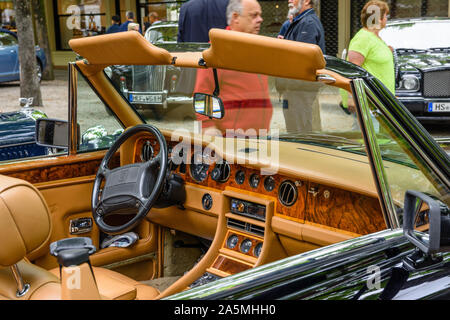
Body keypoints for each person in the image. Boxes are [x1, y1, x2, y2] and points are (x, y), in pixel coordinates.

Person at [193, 0, 272, 136]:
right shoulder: (218, 50)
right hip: (231, 142)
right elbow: (202, 92)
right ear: (236, 18)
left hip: (259, 138)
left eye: (260, 15)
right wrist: (208, 126)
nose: (260, 19)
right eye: (254, 15)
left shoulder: (256, 47)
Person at [341, 0, 393, 132]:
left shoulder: (374, 37)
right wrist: (353, 99)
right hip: (368, 104)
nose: (386, 19)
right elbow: (352, 69)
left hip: (378, 103)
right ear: (378, 19)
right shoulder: (363, 38)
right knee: (367, 144)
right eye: (385, 15)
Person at [279, 0, 325, 133]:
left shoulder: (308, 23)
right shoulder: (300, 22)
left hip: (299, 91)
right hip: (294, 90)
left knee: (301, 134)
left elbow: (301, 60)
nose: (289, 0)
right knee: (295, 130)